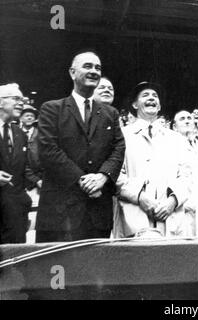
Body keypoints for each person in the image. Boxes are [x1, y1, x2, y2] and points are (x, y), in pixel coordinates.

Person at [36, 51, 125, 242]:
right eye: (88, 66)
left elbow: (118, 149)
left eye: (98, 68)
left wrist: (103, 176)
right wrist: (83, 180)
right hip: (59, 214)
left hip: (98, 213)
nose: (94, 71)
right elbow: (48, 150)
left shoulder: (111, 114)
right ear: (72, 72)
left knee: (95, 269)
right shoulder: (52, 109)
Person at [114, 82, 190, 237]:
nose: (151, 98)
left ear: (160, 106)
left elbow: (186, 175)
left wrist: (172, 201)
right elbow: (115, 174)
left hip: (171, 219)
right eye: (145, 95)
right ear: (134, 104)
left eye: (155, 96)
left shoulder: (176, 139)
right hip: (134, 218)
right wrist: (140, 197)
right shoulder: (122, 135)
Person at [0, 84, 32, 243]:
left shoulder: (20, 134)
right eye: (16, 99)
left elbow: (24, 168)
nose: (21, 103)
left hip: (16, 214)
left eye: (22, 100)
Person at [20, 105, 43, 191]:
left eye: (32, 116)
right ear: (21, 118)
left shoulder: (41, 134)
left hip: (40, 178)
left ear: (35, 119)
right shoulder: (15, 134)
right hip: (21, 178)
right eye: (27, 116)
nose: (29, 118)